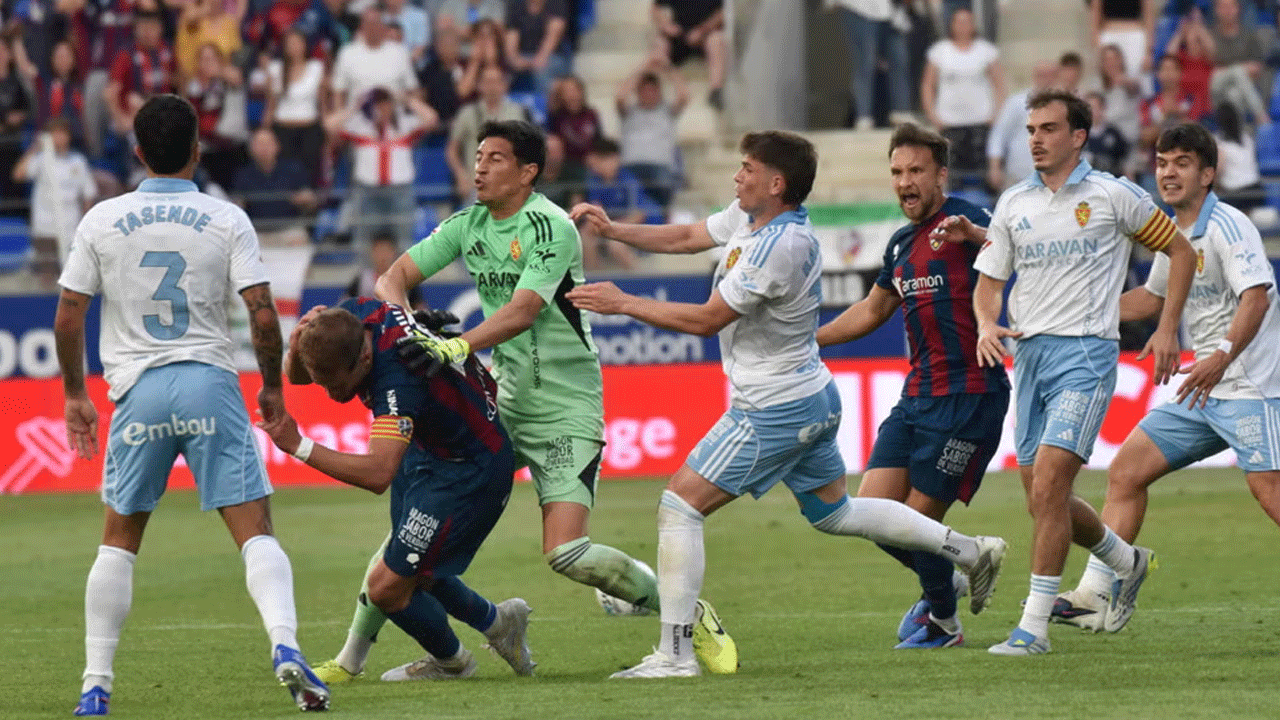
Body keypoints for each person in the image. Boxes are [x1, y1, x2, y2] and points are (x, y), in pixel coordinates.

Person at [565, 130, 1008, 677]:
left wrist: (623, 301)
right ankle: (968, 550)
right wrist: (616, 230)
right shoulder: (749, 221)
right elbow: (686, 236)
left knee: (679, 506)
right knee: (836, 512)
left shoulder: (783, 245)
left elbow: (708, 319)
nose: (737, 175)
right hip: (807, 396)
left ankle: (675, 655)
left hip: (774, 407)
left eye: (747, 167)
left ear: (776, 184)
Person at [308, 119, 734, 682]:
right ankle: (351, 658)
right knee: (410, 528)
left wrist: (453, 345)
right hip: (501, 402)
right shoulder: (467, 224)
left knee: (566, 553)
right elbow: (394, 277)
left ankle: (687, 611)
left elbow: (524, 309)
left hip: (564, 404)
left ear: (528, 172)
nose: (480, 167)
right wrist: (407, 323)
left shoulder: (550, 227)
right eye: (478, 156)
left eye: (495, 158)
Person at [53, 94, 329, 714]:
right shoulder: (226, 218)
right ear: (198, 150)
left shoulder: (100, 219)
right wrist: (274, 388)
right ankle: (286, 647)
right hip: (208, 380)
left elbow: (69, 316)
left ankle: (95, 686)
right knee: (255, 531)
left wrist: (75, 393)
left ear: (137, 152)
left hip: (139, 393)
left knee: (118, 540)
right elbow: (261, 313)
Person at [933, 89, 1196, 654]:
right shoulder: (1012, 204)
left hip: (1086, 356)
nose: (1034, 138)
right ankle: (1126, 561)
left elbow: (1183, 252)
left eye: (1048, 128)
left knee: (1052, 484)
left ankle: (1033, 629)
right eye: (1030, 129)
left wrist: (1168, 326)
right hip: (1029, 359)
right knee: (1040, 496)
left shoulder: (1113, 196)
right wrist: (984, 322)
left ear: (1078, 137)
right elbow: (990, 282)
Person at [1055, 122, 1280, 633]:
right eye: (1161, 162)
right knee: (1127, 471)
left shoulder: (1228, 226)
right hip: (1204, 388)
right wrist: (1076, 316)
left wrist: (1221, 354)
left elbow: (1257, 295)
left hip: (1249, 385)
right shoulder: (1173, 235)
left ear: (1208, 173)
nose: (1169, 172)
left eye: (1181, 163)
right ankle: (1097, 594)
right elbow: (1153, 300)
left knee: (1270, 492)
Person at [259, 298, 534, 681]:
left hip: (468, 472)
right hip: (428, 451)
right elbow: (301, 376)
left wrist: (299, 446)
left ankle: (453, 664)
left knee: (387, 587)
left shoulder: (399, 377)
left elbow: (377, 473)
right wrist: (297, 343)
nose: (331, 394)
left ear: (365, 362)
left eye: (337, 384)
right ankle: (498, 622)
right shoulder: (349, 321)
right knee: (415, 571)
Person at [816, 123, 1010, 649]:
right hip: (916, 397)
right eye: (898, 172)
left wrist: (977, 237)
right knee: (872, 516)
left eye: (916, 171)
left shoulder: (973, 220)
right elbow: (874, 309)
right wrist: (812, 341)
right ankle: (961, 563)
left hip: (969, 395)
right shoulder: (902, 243)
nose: (905, 181)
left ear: (940, 175)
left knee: (919, 522)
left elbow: (1020, 251)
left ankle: (944, 622)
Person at [921, 7, 1005, 188]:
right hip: (950, 124)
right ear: (951, 25)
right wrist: (933, 116)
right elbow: (928, 85)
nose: (963, 26)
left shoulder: (986, 51)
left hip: (981, 124)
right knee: (952, 178)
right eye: (958, 22)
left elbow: (999, 84)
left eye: (967, 21)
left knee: (984, 179)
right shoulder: (939, 52)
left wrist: (996, 114)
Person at [12, 118, 98, 281]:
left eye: (62, 133)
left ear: (68, 136)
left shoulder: (78, 161)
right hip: (44, 226)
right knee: (47, 275)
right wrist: (35, 148)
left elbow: (88, 193)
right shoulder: (40, 159)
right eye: (54, 134)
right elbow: (18, 175)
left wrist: (86, 225)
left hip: (71, 226)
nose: (59, 138)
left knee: (72, 276)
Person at [616, 53, 688, 210]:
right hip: (631, 166)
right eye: (645, 90)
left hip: (660, 168)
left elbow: (683, 95)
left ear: (659, 92)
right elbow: (620, 97)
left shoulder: (667, 111)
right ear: (638, 92)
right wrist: (643, 67)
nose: (649, 94)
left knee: (663, 191)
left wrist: (667, 67)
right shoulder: (629, 112)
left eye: (653, 90)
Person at [581, 136, 662, 270]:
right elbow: (595, 212)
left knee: (615, 244)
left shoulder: (628, 180)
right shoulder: (594, 181)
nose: (596, 165)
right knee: (584, 234)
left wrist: (611, 228)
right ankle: (594, 280)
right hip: (616, 225)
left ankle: (641, 280)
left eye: (602, 160)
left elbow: (638, 215)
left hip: (645, 225)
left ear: (614, 158)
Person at [987, 59, 1057, 192]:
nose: (1046, 80)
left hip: (1054, 179)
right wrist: (994, 168)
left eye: (1051, 75)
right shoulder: (1017, 102)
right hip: (1018, 177)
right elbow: (998, 135)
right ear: (1034, 77)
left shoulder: (1065, 105)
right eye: (1042, 75)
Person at [650, 0, 725, 110]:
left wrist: (702, 30)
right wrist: (665, 25)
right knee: (659, 43)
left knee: (716, 39)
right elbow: (655, 7)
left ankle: (715, 91)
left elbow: (722, 12)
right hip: (679, 35)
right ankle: (666, 90)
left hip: (705, 36)